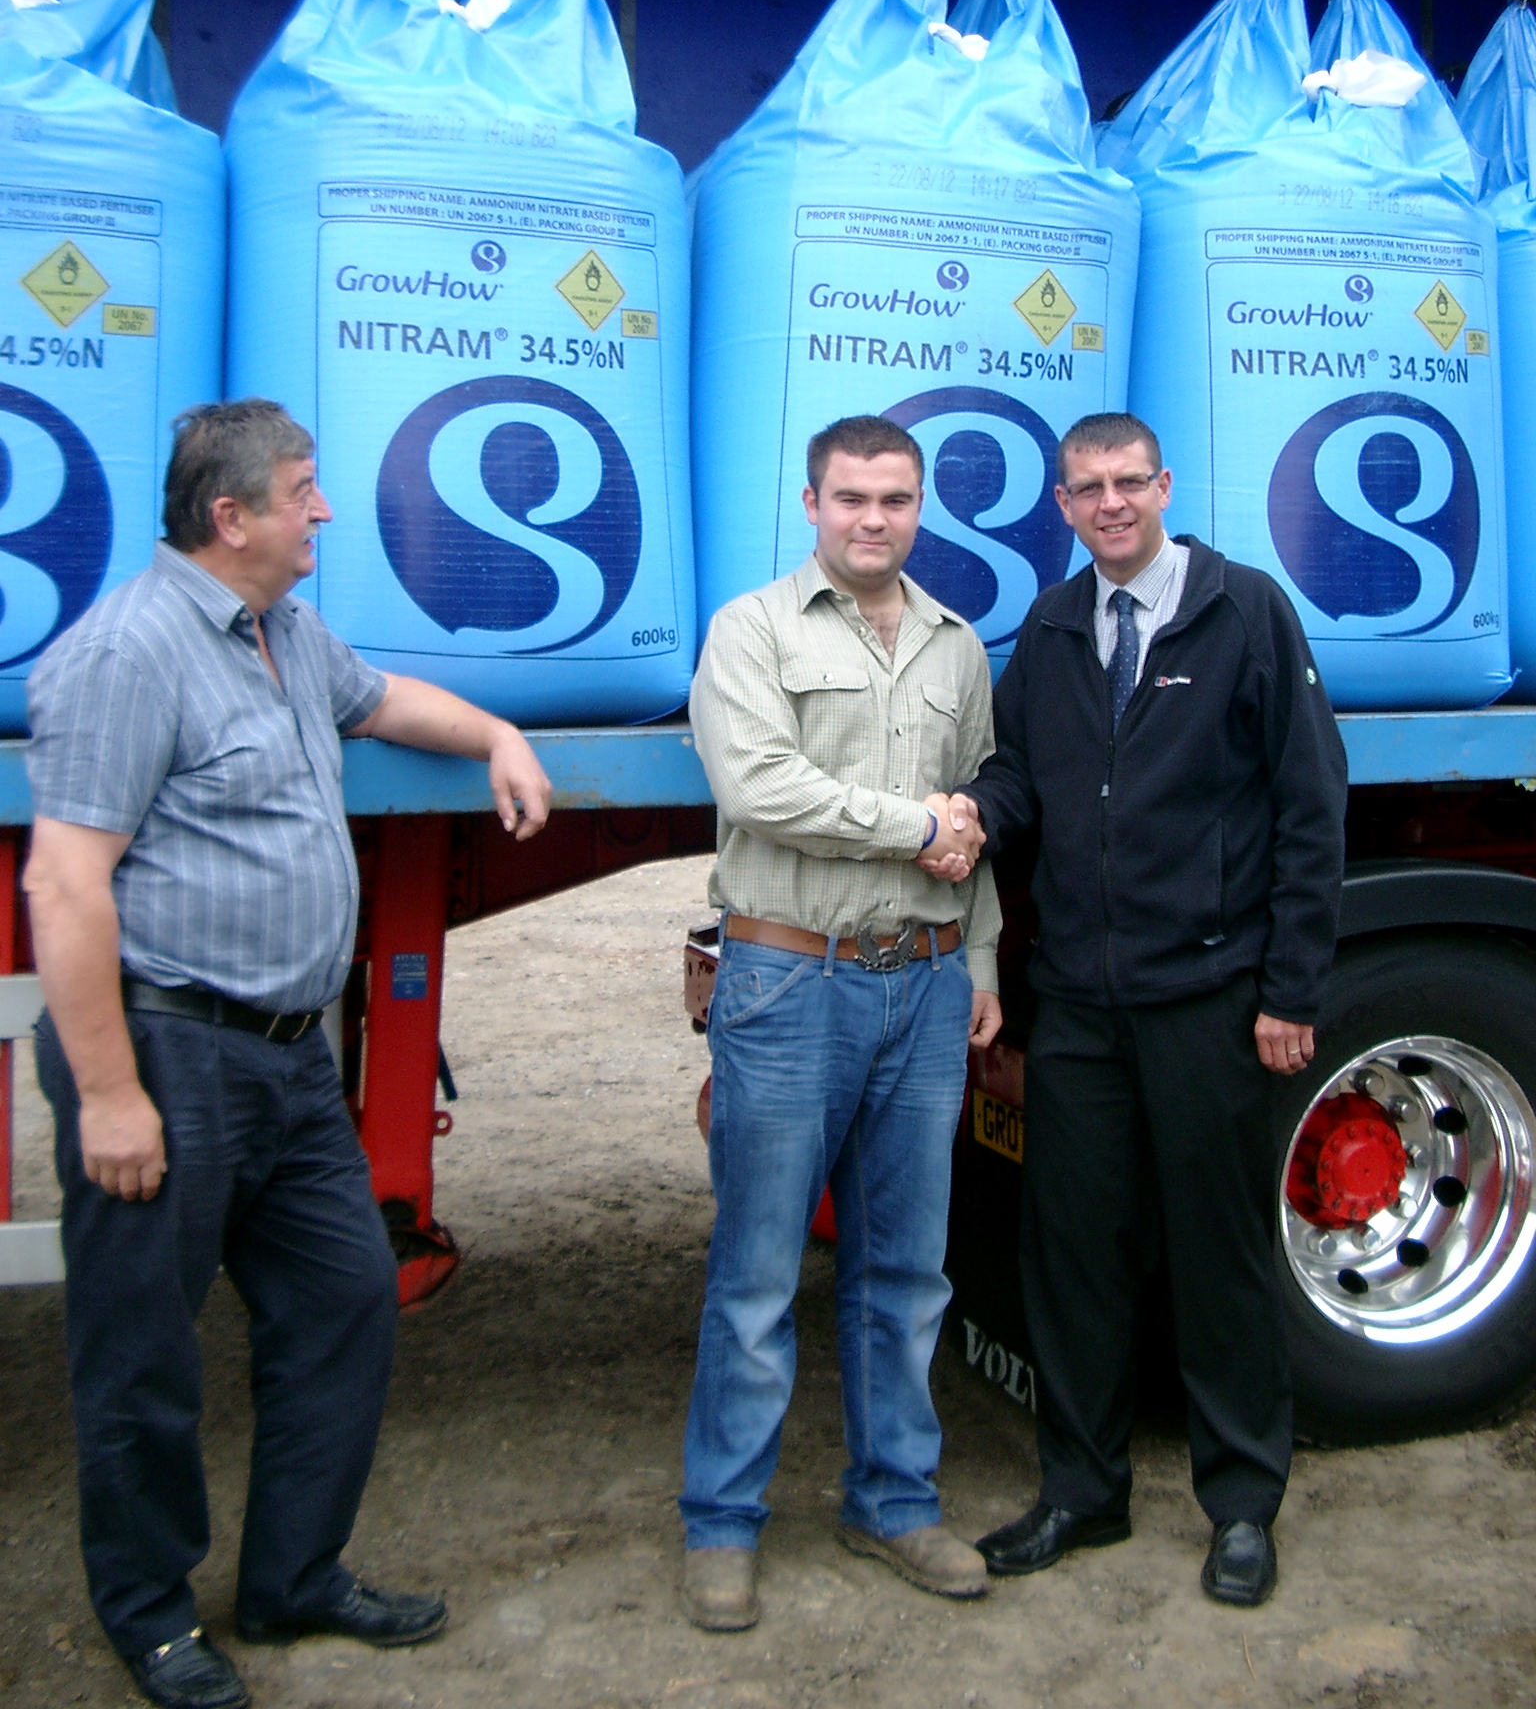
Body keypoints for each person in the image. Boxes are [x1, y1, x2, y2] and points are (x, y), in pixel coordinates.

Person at [24, 399, 554, 1709]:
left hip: (281, 1058)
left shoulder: (283, 633)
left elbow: (384, 699)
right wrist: (106, 1095)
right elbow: (65, 887)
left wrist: (497, 733)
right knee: (143, 1354)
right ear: (233, 516)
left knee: (339, 1304)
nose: (324, 511)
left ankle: (292, 1578)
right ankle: (149, 1615)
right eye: (305, 490)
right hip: (166, 1053)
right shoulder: (128, 653)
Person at [934, 411, 1346, 1609]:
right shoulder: (1055, 627)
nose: (1110, 503)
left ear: (1164, 485)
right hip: (1079, 1006)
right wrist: (969, 812)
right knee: (1073, 1252)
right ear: (1060, 505)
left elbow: (1311, 803)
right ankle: (1082, 1488)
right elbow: (1024, 773)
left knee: (1216, 1256)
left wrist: (1291, 989)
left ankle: (1240, 1504)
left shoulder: (1243, 611)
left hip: (1206, 996)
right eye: (1086, 488)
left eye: (1128, 482)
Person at [680, 413, 1000, 1632]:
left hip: (921, 987)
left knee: (908, 1268)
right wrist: (913, 827)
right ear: (811, 501)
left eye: (898, 499)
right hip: (787, 981)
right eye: (853, 497)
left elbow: (974, 815)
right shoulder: (751, 630)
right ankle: (721, 1521)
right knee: (757, 1269)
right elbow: (756, 783)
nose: (875, 518)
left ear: (920, 507)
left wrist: (978, 954)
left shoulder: (957, 645)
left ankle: (894, 1498)